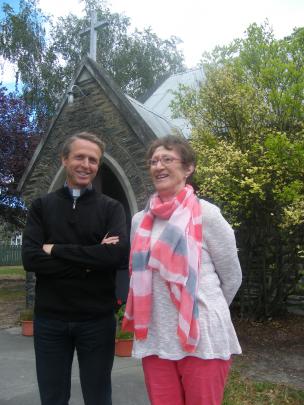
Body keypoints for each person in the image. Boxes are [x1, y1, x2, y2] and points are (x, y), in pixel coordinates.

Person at [122, 135, 242, 405]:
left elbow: (232, 277)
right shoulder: (139, 221)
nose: (158, 166)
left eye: (167, 159)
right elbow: (139, 277)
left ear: (188, 169)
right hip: (156, 336)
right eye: (153, 161)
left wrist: (202, 311)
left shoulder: (207, 214)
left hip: (202, 338)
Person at [22, 132, 128, 405]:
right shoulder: (42, 207)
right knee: (53, 397)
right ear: (64, 159)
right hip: (50, 321)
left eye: (93, 160)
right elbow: (31, 260)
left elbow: (116, 257)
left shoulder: (111, 208)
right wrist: (92, 260)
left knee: (98, 396)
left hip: (97, 320)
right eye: (80, 156)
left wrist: (55, 249)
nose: (86, 164)